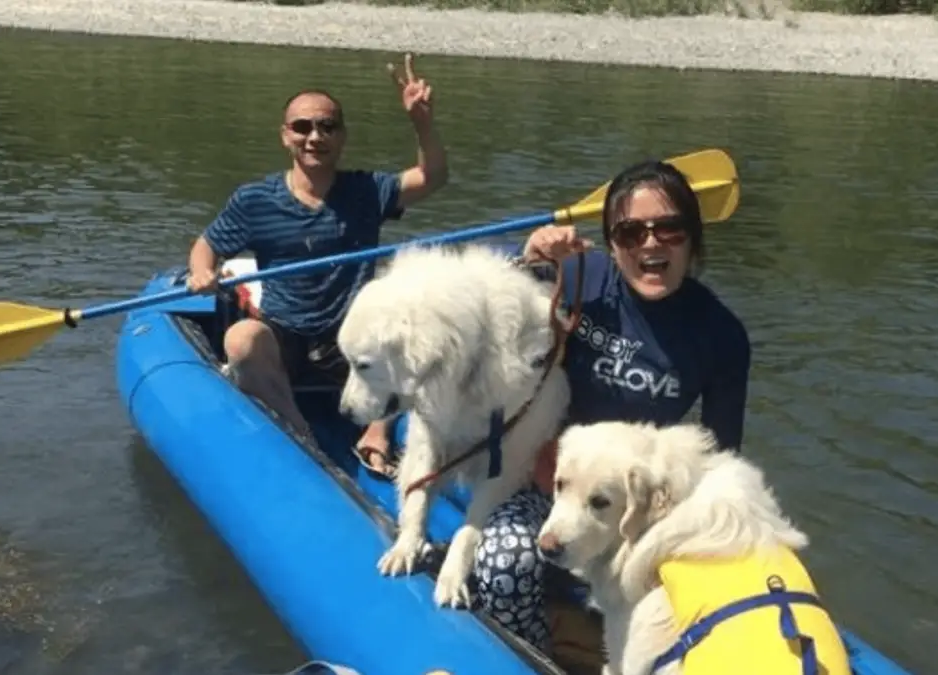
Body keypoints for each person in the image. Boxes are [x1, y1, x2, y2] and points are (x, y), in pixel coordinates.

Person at [470, 159, 752, 654]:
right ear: (610, 241)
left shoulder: (722, 335)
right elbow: (481, 283)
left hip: (631, 503)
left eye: (669, 228)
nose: (650, 243)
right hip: (543, 473)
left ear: (692, 237)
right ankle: (535, 653)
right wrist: (527, 255)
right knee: (502, 565)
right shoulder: (582, 274)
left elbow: (721, 455)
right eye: (630, 232)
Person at [185, 54, 448, 451]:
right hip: (285, 332)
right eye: (302, 127)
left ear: (341, 136)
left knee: (417, 325)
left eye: (327, 126)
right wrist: (202, 273)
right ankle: (299, 433)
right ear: (285, 135)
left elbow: (432, 177)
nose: (315, 137)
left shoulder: (366, 191)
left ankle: (377, 431)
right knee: (241, 338)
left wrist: (422, 122)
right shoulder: (255, 200)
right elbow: (206, 248)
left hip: (352, 336)